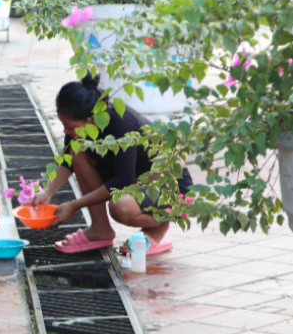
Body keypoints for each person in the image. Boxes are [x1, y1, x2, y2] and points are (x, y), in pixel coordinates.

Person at [29, 74, 192, 255]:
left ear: (92, 117)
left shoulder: (121, 123)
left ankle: (159, 226)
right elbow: (67, 162)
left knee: (120, 206)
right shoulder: (80, 129)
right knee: (76, 151)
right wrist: (46, 192)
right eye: (64, 126)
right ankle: (100, 229)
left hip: (172, 189)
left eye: (71, 126)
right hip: (139, 184)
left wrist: (74, 205)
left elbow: (122, 181)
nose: (66, 131)